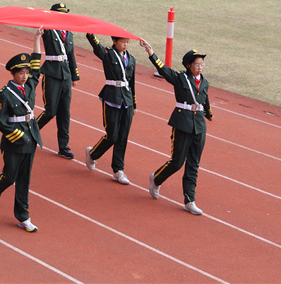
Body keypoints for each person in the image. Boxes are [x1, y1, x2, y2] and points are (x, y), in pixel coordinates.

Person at [140, 41, 212, 216]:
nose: (200, 67)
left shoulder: (204, 82)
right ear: (188, 65)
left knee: (193, 163)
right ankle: (157, 178)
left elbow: (204, 98)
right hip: (183, 123)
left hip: (199, 126)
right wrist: (151, 52)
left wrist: (209, 113)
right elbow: (163, 69)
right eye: (197, 64)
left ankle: (189, 200)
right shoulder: (180, 78)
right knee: (177, 161)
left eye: (202, 64)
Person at [0, 28, 44, 233]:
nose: (25, 76)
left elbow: (36, 62)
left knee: (24, 179)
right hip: (14, 140)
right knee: (9, 177)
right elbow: (2, 122)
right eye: (21, 73)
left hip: (31, 137)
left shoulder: (30, 86)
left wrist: (37, 38)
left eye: (26, 72)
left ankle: (23, 216)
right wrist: (19, 137)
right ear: (13, 73)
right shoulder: (4, 94)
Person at [83, 34, 136, 185]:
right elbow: (96, 46)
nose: (125, 45)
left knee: (123, 136)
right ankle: (93, 154)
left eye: (127, 42)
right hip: (112, 97)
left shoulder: (131, 59)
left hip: (127, 99)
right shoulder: (108, 54)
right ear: (114, 41)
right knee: (112, 135)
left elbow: (132, 82)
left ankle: (118, 170)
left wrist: (134, 103)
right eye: (122, 42)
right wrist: (90, 34)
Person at [36, 3, 79, 160]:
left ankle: (63, 146)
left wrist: (74, 75)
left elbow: (71, 55)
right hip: (52, 72)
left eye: (64, 14)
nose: (63, 17)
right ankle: (29, 133)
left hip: (65, 74)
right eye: (59, 14)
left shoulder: (69, 33)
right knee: (50, 111)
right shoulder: (48, 29)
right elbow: (39, 23)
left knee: (64, 112)